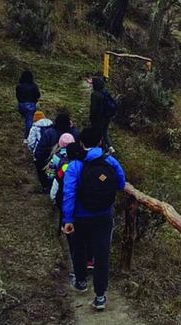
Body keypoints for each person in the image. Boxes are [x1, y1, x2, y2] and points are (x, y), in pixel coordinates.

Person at [61, 127, 126, 311]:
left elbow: (69, 193)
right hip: (104, 216)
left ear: (81, 143)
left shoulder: (75, 165)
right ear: (100, 142)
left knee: (79, 248)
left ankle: (81, 282)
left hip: (80, 217)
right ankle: (100, 296)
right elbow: (121, 183)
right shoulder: (110, 161)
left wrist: (67, 219)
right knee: (102, 253)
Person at [50, 140, 94, 275]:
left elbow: (58, 191)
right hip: (89, 210)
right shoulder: (88, 166)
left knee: (74, 240)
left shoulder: (64, 167)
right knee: (89, 236)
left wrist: (60, 209)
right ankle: (90, 260)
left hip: (71, 211)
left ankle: (78, 270)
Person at [33, 112, 79, 193]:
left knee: (40, 164)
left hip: (50, 162)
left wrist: (39, 160)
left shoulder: (49, 133)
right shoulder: (74, 133)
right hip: (72, 163)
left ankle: (47, 186)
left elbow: (40, 151)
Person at [89, 76, 115, 153]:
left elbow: (93, 109)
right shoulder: (105, 92)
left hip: (99, 118)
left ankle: (105, 150)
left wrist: (91, 118)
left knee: (99, 134)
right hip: (107, 116)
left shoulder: (94, 94)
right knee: (105, 132)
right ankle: (110, 147)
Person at [16, 70, 41, 141]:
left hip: (21, 104)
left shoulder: (19, 86)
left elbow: (17, 96)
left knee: (26, 119)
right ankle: (27, 138)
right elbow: (38, 95)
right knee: (29, 121)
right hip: (31, 105)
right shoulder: (33, 86)